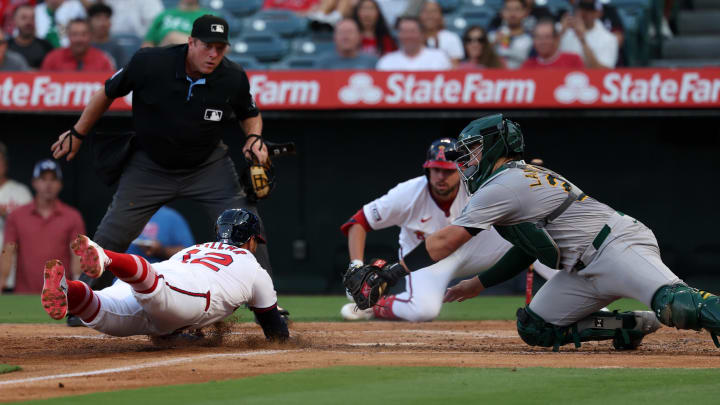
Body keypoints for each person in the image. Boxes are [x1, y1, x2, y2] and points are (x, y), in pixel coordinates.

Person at [354, 113, 720, 352]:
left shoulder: (503, 183)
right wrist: (480, 283)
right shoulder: (510, 180)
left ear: (497, 145)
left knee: (678, 305)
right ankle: (627, 325)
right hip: (579, 268)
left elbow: (448, 240)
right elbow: (528, 248)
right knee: (537, 328)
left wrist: (391, 273)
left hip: (614, 245)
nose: (466, 160)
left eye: (474, 150)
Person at [50, 15, 275, 310]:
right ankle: (82, 302)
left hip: (207, 166)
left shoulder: (231, 76)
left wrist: (254, 137)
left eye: (220, 48)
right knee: (110, 237)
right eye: (207, 46)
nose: (214, 54)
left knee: (246, 224)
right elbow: (107, 92)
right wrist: (78, 132)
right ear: (191, 42)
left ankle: (268, 306)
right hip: (150, 166)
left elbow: (249, 113)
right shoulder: (149, 63)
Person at [340, 138, 559, 321]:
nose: (440, 177)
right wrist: (356, 265)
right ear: (428, 169)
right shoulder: (408, 193)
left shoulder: (479, 186)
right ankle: (374, 306)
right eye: (436, 170)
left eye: (447, 170)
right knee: (423, 311)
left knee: (533, 234)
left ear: (461, 169)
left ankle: (580, 292)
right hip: (426, 261)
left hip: (478, 248)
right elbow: (358, 222)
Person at [41, 209, 289, 342]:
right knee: (156, 292)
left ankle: (67, 289)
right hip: (189, 293)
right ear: (251, 241)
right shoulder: (255, 269)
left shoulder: (196, 248)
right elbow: (275, 331)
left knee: (101, 312)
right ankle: (106, 256)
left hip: (160, 288)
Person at [0, 159, 85, 294]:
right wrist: (2, 280)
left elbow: (77, 255)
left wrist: (78, 285)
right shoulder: (17, 216)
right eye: (43, 179)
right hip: (24, 295)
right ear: (34, 182)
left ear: (60, 184)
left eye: (53, 179)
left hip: (61, 294)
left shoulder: (72, 216)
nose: (48, 184)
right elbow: (8, 251)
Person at [0, 142, 32, 293]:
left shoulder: (20, 192)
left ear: (5, 164)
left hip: (13, 274)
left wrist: (8, 216)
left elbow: (34, 230)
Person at [558, 0, 618, 68]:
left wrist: (583, 40)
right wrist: (560, 33)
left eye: (589, 9)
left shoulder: (608, 39)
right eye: (581, 8)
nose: (584, 13)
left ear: (598, 13)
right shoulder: (560, 29)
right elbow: (545, 58)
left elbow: (604, 72)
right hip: (560, 77)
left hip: (592, 78)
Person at [376, 16, 450, 71]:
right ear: (398, 35)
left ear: (422, 34)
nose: (408, 36)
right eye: (404, 32)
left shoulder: (439, 58)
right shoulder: (386, 61)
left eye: (412, 31)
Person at [40, 18, 115, 72]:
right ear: (68, 36)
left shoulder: (103, 60)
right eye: (74, 34)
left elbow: (111, 89)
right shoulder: (52, 59)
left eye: (83, 34)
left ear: (90, 36)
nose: (79, 39)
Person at [127, 206, 194, 263]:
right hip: (122, 275)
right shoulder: (124, 212)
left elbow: (188, 253)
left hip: (157, 275)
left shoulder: (170, 216)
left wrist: (162, 251)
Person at [142, 0, 214, 47]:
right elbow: (147, 44)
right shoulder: (163, 15)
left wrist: (174, 39)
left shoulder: (211, 17)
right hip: (161, 60)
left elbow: (220, 46)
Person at [488, 0, 532, 69]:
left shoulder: (532, 40)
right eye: (508, 9)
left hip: (523, 77)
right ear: (502, 12)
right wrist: (493, 43)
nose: (512, 13)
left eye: (517, 9)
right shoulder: (491, 36)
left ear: (525, 12)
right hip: (495, 77)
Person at [7, 4, 54, 69]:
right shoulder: (6, 46)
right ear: (14, 20)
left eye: (32, 18)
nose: (29, 22)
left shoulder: (46, 46)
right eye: (24, 18)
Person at [418, 0, 463, 67]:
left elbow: (455, 68)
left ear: (440, 15)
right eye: (425, 11)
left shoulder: (451, 38)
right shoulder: (413, 38)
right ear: (420, 15)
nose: (429, 15)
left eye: (434, 11)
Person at [87, 3, 126, 68]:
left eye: (106, 18)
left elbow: (124, 73)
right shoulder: (83, 47)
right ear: (89, 21)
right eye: (98, 18)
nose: (103, 23)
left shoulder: (117, 49)